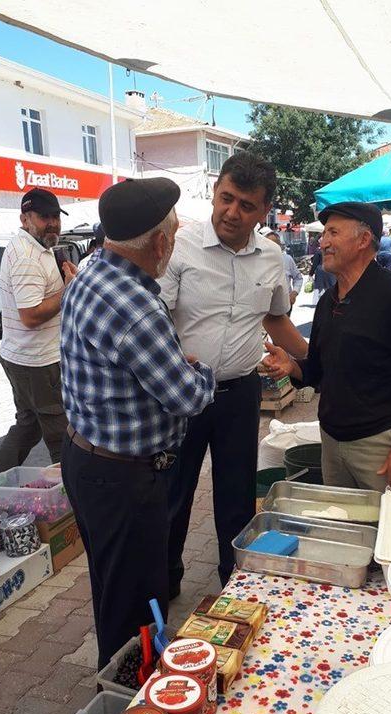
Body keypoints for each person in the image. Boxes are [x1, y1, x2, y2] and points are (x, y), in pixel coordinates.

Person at [60, 178, 215, 668]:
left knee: (113, 587)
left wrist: (171, 364)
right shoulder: (137, 306)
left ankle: (117, 684)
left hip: (87, 460)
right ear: (161, 243)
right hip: (124, 479)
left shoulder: (89, 273)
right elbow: (187, 397)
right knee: (136, 608)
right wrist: (200, 371)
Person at [159, 151, 308, 591]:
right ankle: (165, 582)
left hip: (241, 394)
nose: (232, 212)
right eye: (226, 198)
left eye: (246, 205)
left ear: (264, 211)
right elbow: (158, 315)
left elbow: (277, 319)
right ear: (215, 192)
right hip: (181, 394)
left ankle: (236, 582)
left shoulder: (271, 257)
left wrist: (317, 360)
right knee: (173, 493)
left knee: (237, 496)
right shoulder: (179, 247)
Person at [262, 202, 391, 493]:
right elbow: (320, 370)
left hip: (380, 445)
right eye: (324, 234)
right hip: (332, 443)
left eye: (333, 232)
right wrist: (292, 366)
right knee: (346, 525)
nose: (323, 242)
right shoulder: (328, 301)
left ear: (363, 240)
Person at [0, 188, 75, 478]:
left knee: (28, 425)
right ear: (25, 219)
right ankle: (71, 505)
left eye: (55, 217)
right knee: (61, 436)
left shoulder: (36, 246)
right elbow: (31, 315)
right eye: (43, 217)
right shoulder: (28, 255)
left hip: (22, 357)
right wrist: (69, 291)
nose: (52, 223)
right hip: (37, 362)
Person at [260, 227, 303, 312]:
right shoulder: (259, 260)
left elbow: (298, 278)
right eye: (268, 244)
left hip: (285, 303)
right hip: (264, 306)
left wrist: (294, 293)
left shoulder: (287, 259)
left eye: (275, 244)